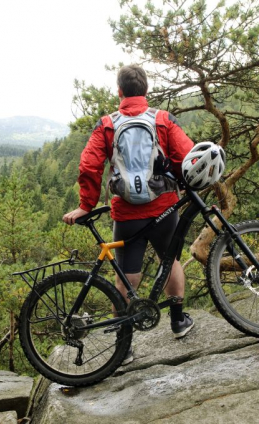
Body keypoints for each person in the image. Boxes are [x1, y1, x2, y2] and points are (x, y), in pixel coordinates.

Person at [63, 64, 196, 342]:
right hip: (164, 207)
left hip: (126, 214)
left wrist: (86, 204)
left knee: (126, 276)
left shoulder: (107, 124)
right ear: (146, 90)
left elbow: (89, 165)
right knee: (169, 262)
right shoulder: (162, 119)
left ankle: (124, 343)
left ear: (120, 91)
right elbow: (187, 155)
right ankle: (178, 321)